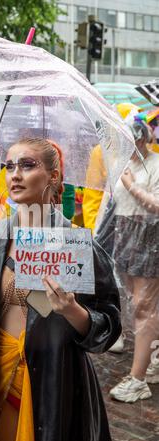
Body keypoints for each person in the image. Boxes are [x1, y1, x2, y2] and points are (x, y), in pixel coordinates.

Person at [0, 137, 121, 441]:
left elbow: (109, 326)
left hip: (53, 386)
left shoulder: (76, 246)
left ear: (53, 176)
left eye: (27, 165)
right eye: (10, 166)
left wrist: (72, 311)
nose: (15, 175)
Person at [109, 121, 159, 403]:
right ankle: (154, 356)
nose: (128, 147)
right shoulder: (121, 163)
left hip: (150, 240)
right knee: (139, 303)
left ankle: (137, 379)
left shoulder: (155, 164)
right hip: (126, 238)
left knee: (144, 307)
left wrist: (131, 186)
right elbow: (113, 204)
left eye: (132, 141)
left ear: (143, 140)